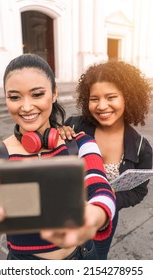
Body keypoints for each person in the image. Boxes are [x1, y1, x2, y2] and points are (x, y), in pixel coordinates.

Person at [0, 53, 115, 260]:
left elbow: (100, 186)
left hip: (83, 256)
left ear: (54, 94)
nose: (26, 107)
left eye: (37, 94)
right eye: (15, 97)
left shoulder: (81, 142)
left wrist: (96, 215)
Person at [59, 60, 153, 259]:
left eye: (111, 97)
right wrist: (58, 135)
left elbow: (138, 191)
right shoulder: (74, 127)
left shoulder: (141, 148)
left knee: (95, 262)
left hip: (104, 220)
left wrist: (110, 198)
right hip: (64, 213)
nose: (102, 106)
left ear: (128, 98)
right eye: (95, 99)